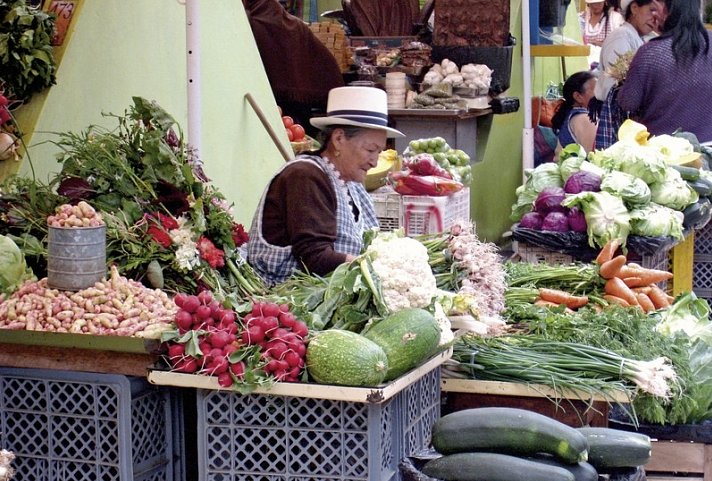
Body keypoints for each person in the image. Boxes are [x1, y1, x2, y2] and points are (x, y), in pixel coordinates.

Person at [247, 87, 404, 286]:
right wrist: (376, 267)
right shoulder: (305, 177)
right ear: (338, 139)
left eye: (379, 151)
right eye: (370, 150)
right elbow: (315, 259)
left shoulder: (351, 184)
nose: (374, 162)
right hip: (286, 301)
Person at [243, 0, 344, 137]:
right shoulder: (296, 25)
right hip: (301, 100)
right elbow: (324, 62)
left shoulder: (250, 26)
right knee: (301, 139)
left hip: (269, 100)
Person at [618, 0, 712, 142]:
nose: (655, 13)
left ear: (668, 11)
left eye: (658, 8)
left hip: (663, 149)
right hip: (707, 146)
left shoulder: (650, 53)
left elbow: (628, 102)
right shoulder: (708, 41)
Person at [591, 0, 661, 148]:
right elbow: (619, 83)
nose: (654, 18)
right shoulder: (622, 36)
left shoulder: (637, 36)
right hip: (619, 117)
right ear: (634, 8)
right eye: (651, 11)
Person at [551, 71, 598, 154]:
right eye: (596, 90)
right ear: (578, 97)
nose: (600, 94)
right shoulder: (584, 118)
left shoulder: (574, 115)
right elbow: (594, 156)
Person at [579, 0, 624, 67]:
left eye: (598, 3)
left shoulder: (615, 18)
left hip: (606, 64)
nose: (595, 6)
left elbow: (619, 45)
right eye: (593, 3)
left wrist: (597, 43)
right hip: (583, 63)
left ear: (605, 2)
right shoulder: (580, 18)